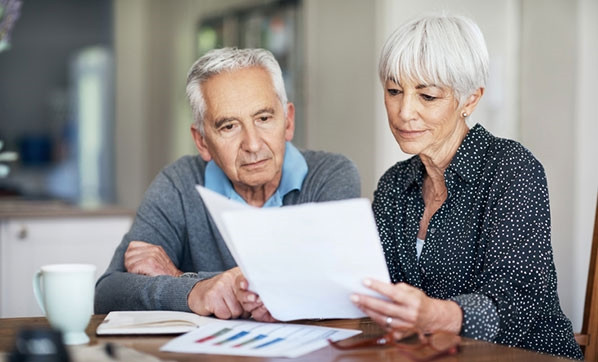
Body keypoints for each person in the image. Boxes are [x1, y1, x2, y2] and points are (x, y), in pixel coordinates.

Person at [349, 13, 583, 359]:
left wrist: (437, 315)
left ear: (470, 100)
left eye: (427, 96)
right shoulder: (395, 185)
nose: (403, 112)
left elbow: (518, 302)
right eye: (394, 91)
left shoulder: (511, 170)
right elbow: (372, 287)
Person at [95, 48, 361, 321]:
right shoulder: (178, 183)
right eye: (229, 126)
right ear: (201, 141)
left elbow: (333, 284)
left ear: (288, 121)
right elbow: (108, 292)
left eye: (264, 118)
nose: (253, 145)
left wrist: (182, 278)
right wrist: (197, 291)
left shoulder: (331, 175)